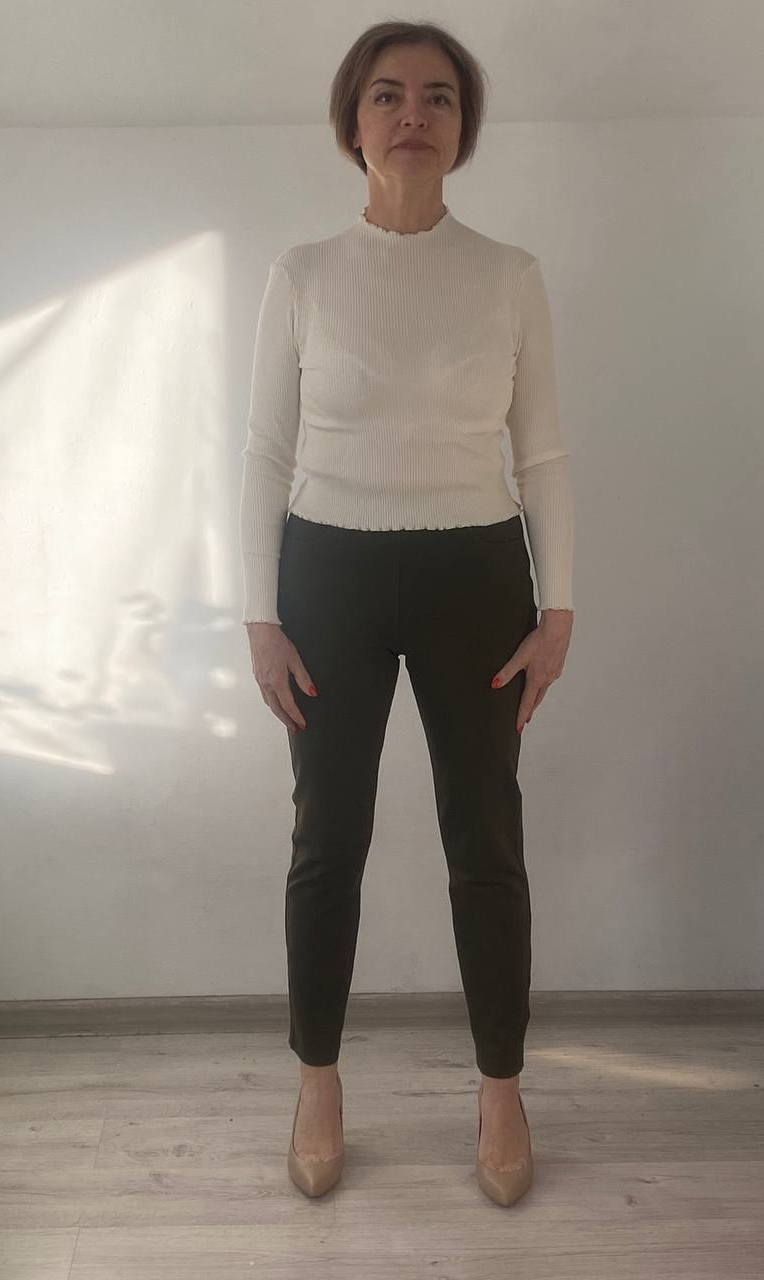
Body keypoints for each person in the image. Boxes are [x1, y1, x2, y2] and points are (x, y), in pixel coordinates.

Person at [238, 20, 575, 1204]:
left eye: (438, 96)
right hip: (325, 574)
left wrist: (559, 607)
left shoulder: (509, 275)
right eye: (387, 95)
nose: (413, 114)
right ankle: (317, 1078)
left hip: (476, 576)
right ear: (354, 122)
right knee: (326, 837)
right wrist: (259, 613)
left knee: (486, 835)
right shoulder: (303, 274)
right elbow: (265, 451)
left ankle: (501, 1085)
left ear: (463, 126)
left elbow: (541, 454)